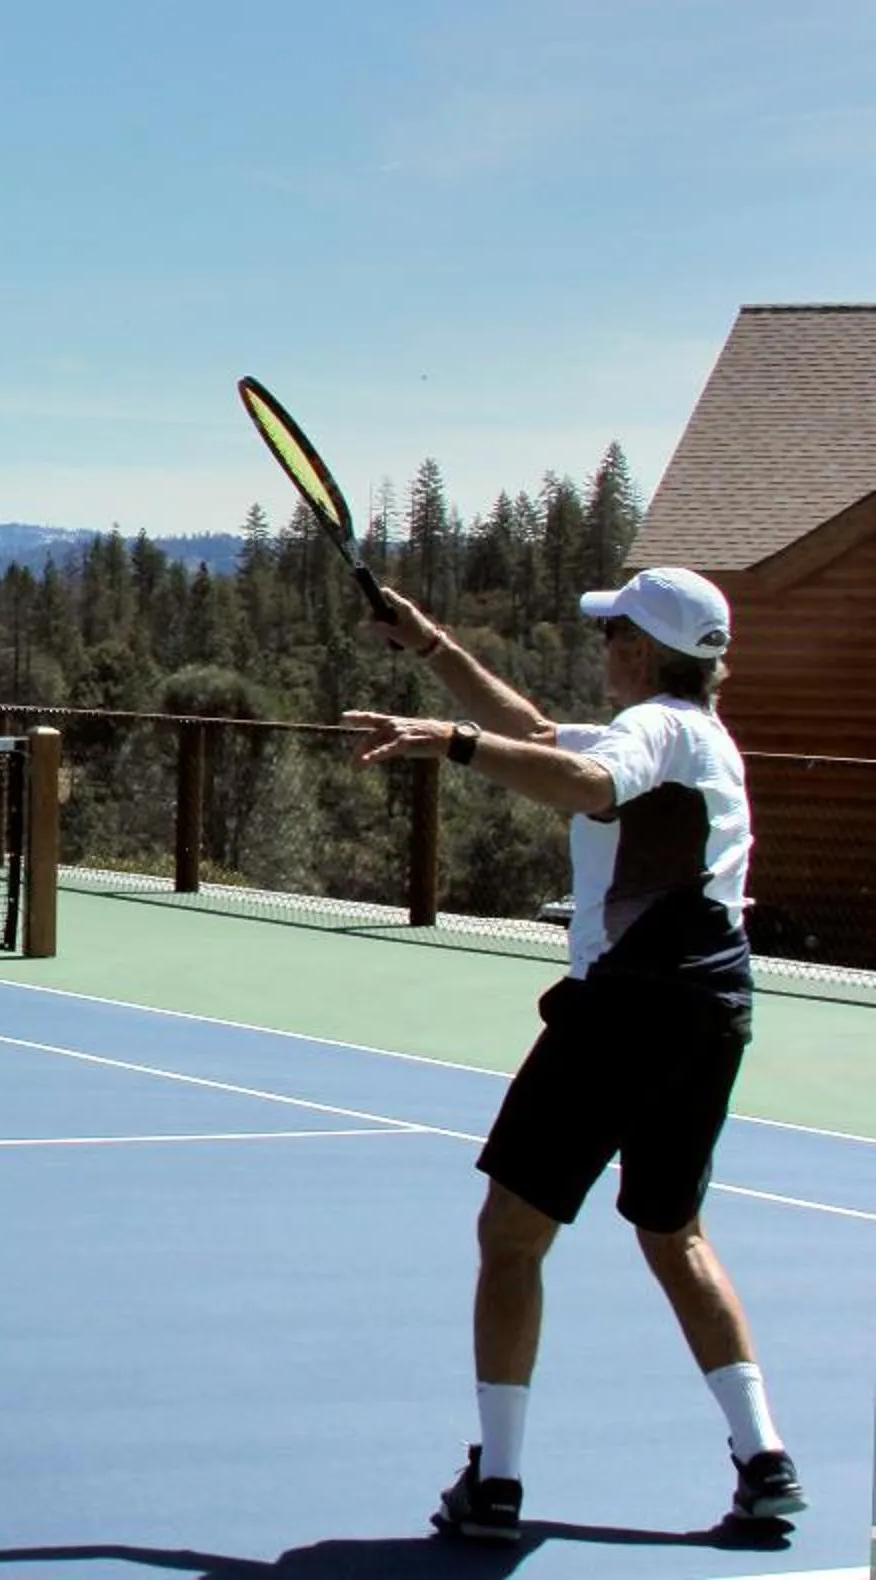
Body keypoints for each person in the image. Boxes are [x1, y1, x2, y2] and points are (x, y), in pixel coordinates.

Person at [342, 567, 802, 1543]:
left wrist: (453, 743)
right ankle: (766, 1463)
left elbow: (583, 779)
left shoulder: (654, 733)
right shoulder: (700, 739)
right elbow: (548, 743)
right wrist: (431, 647)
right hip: (715, 1011)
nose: (602, 650)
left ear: (639, 651)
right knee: (674, 1232)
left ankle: (497, 1486)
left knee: (512, 1237)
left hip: (627, 1012)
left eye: (611, 637)